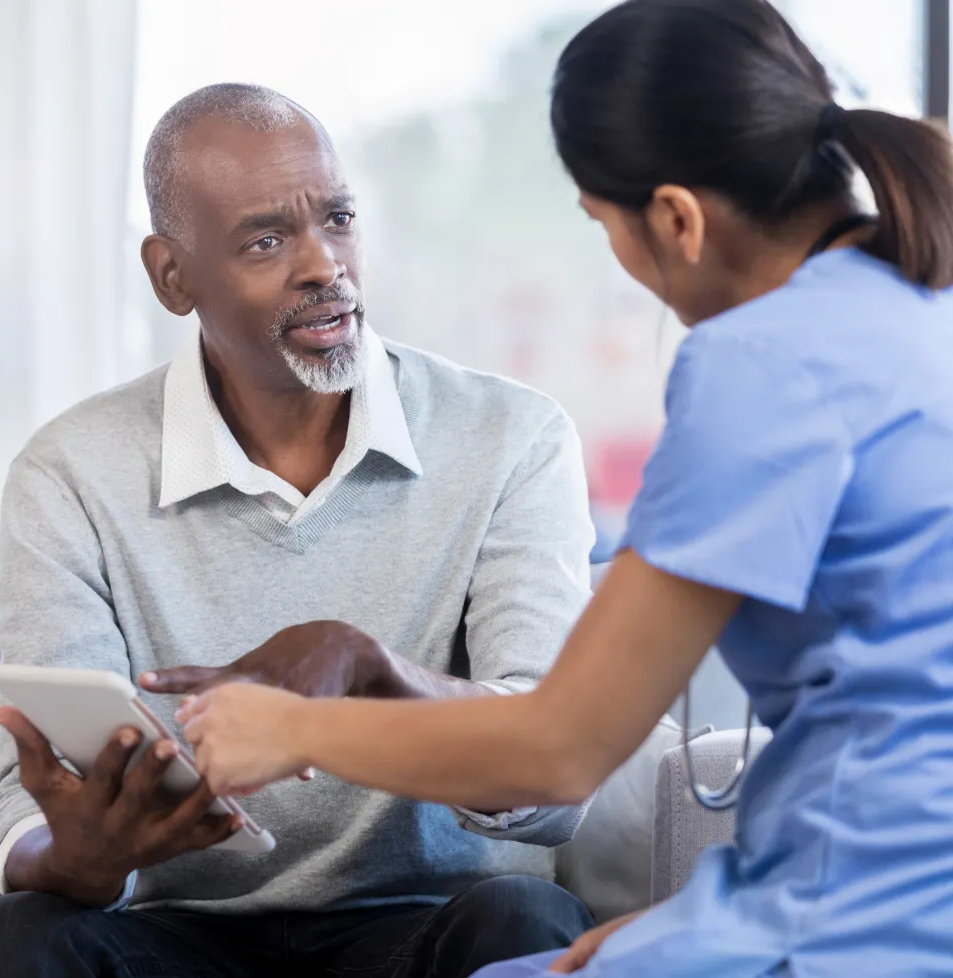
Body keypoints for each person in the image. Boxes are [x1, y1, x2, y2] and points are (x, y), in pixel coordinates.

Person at [177, 2, 953, 976]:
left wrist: (288, 728)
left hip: (867, 924)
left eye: (603, 227)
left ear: (675, 218)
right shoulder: (920, 309)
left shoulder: (760, 364)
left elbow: (558, 748)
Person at [0, 84, 599, 978]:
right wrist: (75, 861)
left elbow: (555, 778)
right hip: (177, 938)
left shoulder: (513, 436)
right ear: (172, 277)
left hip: (425, 928)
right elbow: (23, 821)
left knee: (528, 919)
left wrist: (372, 670)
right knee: (14, 939)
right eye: (266, 239)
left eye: (337, 219)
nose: (323, 265)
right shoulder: (69, 472)